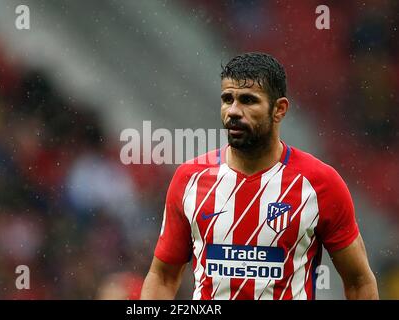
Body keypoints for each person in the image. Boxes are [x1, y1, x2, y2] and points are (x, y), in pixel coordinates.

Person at [140, 52, 378, 300]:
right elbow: (163, 277)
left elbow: (359, 281)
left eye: (247, 100)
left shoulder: (320, 184)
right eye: (227, 99)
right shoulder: (190, 179)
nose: (233, 111)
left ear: (279, 109)